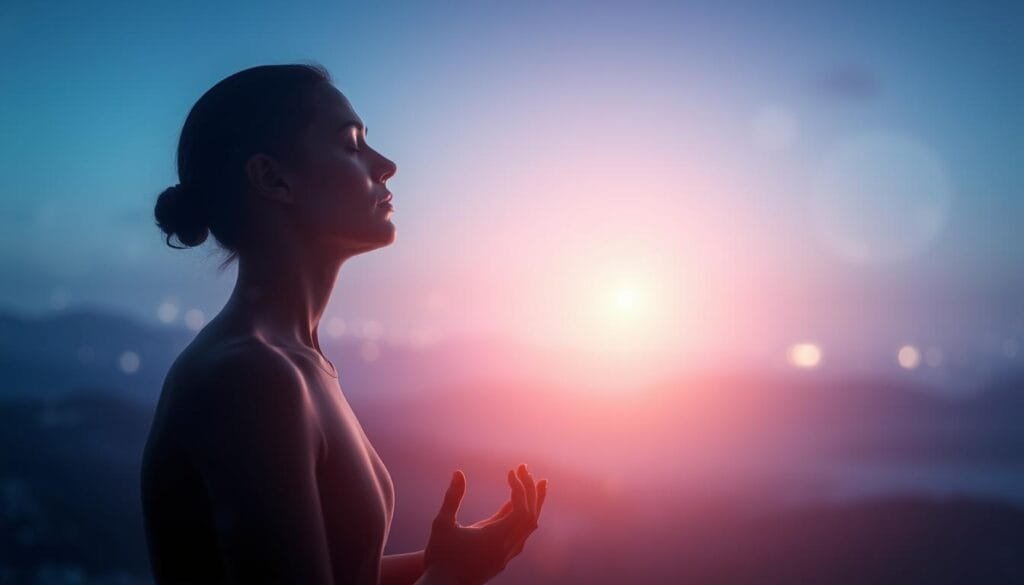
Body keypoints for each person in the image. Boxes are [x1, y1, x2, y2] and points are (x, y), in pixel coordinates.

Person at [140, 63, 547, 585]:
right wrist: (449, 578)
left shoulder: (294, 361)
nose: (387, 165)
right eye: (352, 145)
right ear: (273, 178)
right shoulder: (250, 378)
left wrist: (441, 564)